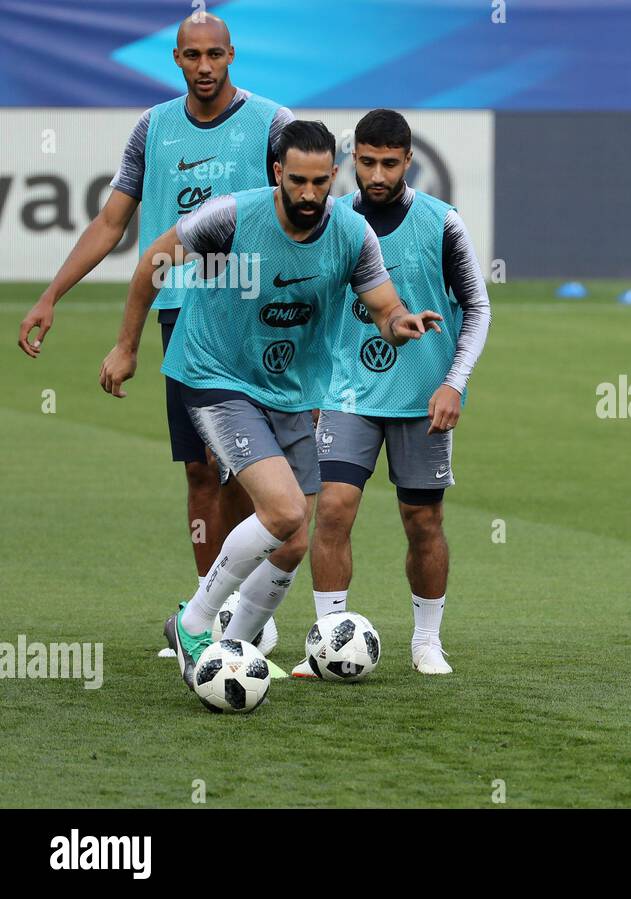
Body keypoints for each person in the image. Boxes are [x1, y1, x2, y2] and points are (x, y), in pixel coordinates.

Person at [98, 120, 441, 686]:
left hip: (289, 389)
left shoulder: (353, 234)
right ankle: (195, 622)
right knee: (282, 513)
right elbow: (151, 265)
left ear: (334, 175)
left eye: (320, 183)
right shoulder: (231, 216)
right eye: (298, 181)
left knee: (294, 540)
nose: (309, 195)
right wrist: (126, 346)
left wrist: (400, 324)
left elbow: (384, 306)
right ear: (278, 173)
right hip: (215, 375)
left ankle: (231, 646)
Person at [17, 14, 292, 650]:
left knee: (248, 470)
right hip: (182, 318)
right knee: (201, 471)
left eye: (214, 54)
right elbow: (112, 222)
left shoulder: (271, 124)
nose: (204, 66)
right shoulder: (155, 127)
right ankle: (209, 614)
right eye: (192, 55)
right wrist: (52, 295)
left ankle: (249, 607)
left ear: (231, 55)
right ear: (175, 58)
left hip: (255, 313)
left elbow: (308, 207)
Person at [295, 109, 490, 678]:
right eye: (366, 162)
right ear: (350, 159)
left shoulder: (441, 222)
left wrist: (454, 382)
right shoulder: (326, 221)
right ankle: (329, 637)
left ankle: (427, 640)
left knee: (421, 522)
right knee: (331, 510)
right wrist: (306, 383)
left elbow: (477, 309)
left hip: (421, 399)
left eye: (388, 163)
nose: (376, 175)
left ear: (409, 162)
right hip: (344, 393)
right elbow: (308, 309)